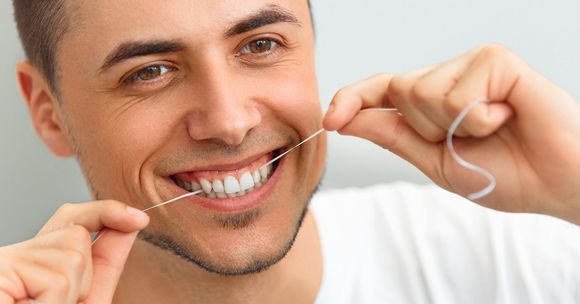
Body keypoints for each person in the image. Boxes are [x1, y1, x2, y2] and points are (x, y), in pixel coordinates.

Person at [1, 0, 580, 303]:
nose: (228, 122)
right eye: (150, 71)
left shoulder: (510, 253)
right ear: (48, 112)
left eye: (260, 44)